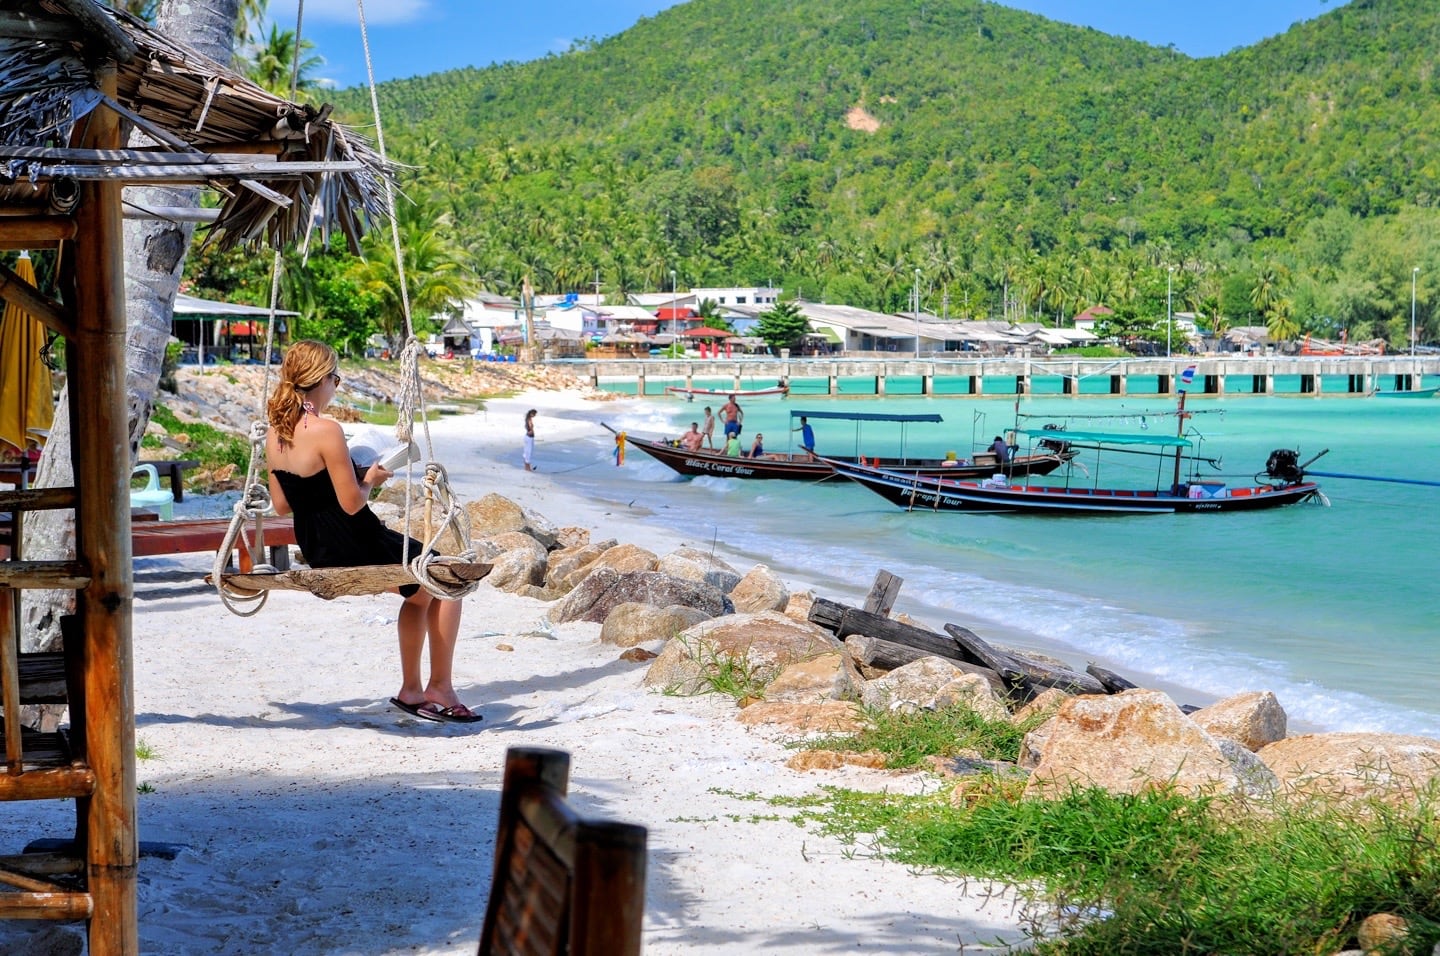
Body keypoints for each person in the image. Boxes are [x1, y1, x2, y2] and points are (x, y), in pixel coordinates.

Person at [264, 340, 480, 723]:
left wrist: (343, 481)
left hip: (316, 547)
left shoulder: (276, 434)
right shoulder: (327, 430)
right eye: (335, 378)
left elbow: (282, 506)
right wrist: (373, 479)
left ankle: (413, 690)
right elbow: (352, 504)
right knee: (448, 580)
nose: (337, 385)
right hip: (355, 541)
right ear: (319, 380)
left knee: (419, 595)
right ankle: (439, 687)